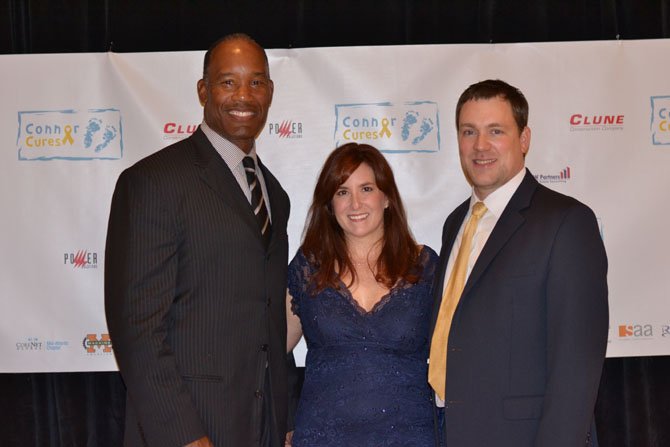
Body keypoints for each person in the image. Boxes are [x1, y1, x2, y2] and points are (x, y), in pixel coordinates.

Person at [105, 34, 290, 447]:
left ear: (271, 93)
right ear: (203, 90)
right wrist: (183, 435)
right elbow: (137, 326)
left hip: (263, 427)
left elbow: (268, 321)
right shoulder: (152, 182)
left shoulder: (275, 195)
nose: (244, 95)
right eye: (228, 82)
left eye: (257, 82)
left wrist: (284, 418)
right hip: (188, 427)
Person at [428, 79, 609, 446]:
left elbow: (576, 367)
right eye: (469, 132)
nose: (480, 146)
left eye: (496, 131)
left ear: (524, 139)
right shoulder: (454, 224)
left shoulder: (566, 222)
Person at [285, 143, 438, 446]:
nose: (355, 203)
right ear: (329, 204)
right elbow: (270, 350)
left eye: (366, 188)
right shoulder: (308, 269)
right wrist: (284, 416)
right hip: (322, 436)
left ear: (387, 198)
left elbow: (457, 352)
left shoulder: (424, 269)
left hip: (411, 437)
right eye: (342, 192)